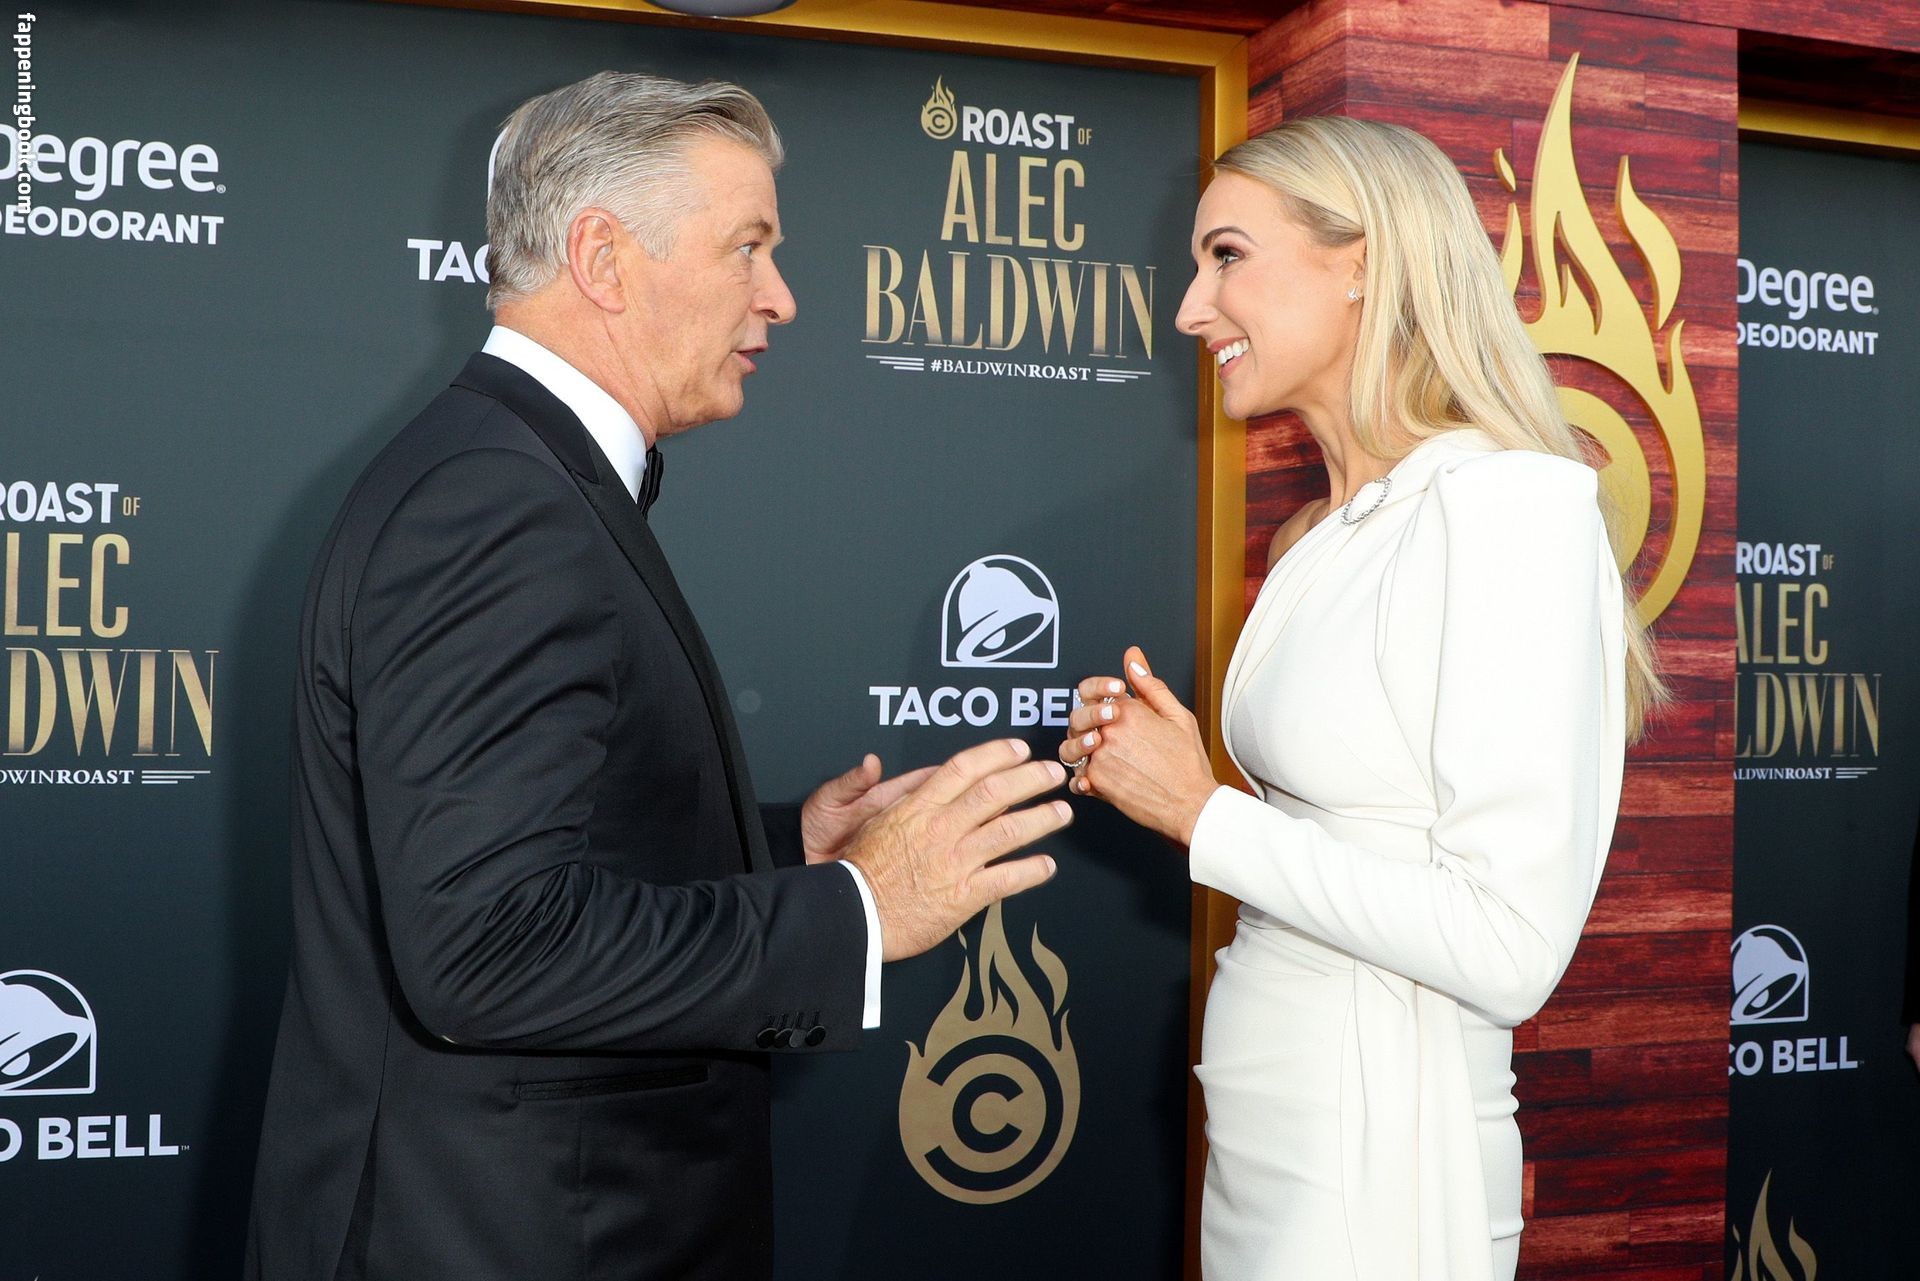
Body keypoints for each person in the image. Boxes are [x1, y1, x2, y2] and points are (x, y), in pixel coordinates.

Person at [245, 72, 1069, 1281]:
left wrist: (788, 850)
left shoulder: (514, 474)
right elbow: (487, 948)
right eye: (748, 247)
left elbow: (536, 850)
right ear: (603, 258)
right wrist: (859, 910)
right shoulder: (498, 506)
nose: (781, 296)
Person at [1058, 116, 1661, 1281]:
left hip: (1389, 1148)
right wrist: (1173, 776)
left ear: (1362, 262)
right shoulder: (1315, 535)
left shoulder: (1504, 512)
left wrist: (1200, 812)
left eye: (1226, 257)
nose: (1190, 309)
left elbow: (1509, 945)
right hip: (1275, 1124)